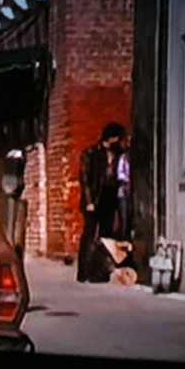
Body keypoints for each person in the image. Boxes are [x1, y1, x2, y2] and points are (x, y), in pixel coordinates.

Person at [77, 121, 126, 283]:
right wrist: (89, 201)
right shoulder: (91, 153)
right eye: (116, 138)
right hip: (95, 198)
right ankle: (83, 271)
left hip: (109, 198)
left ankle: (100, 270)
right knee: (89, 235)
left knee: (106, 235)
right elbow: (85, 179)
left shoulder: (118, 153)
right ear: (110, 138)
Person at [117, 135, 131, 241]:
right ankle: (124, 235)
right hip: (125, 188)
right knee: (124, 215)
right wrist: (126, 179)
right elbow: (120, 174)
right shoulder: (123, 158)